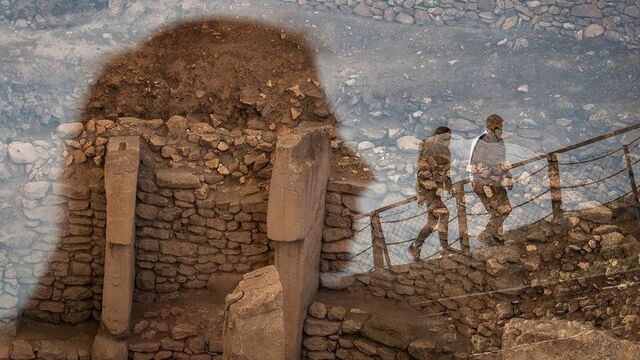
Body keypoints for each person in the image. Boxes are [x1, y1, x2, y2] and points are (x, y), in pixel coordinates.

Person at [409, 126, 453, 261]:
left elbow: (445, 170)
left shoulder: (444, 150)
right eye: (445, 137)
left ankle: (416, 246)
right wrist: (434, 187)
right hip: (428, 190)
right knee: (443, 214)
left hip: (435, 190)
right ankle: (443, 248)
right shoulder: (428, 146)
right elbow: (423, 172)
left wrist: (448, 184)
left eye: (449, 138)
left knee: (433, 220)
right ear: (437, 136)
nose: (448, 140)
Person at [468, 114, 513, 244]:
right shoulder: (482, 142)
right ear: (493, 127)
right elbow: (475, 166)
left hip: (495, 181)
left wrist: (508, 176)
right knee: (500, 211)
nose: (502, 129)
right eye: (500, 127)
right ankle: (486, 235)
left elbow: (502, 161)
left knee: (504, 209)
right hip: (483, 183)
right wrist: (485, 185)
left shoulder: (499, 141)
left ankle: (497, 237)